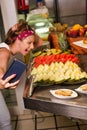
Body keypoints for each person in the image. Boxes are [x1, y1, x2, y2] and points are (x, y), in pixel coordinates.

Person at [0, 19, 43, 130]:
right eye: (29, 43)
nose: (32, 46)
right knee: (5, 122)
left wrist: (26, 28)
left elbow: (40, 42)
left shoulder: (10, 50)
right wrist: (2, 82)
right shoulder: (4, 52)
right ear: (17, 39)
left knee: (5, 121)